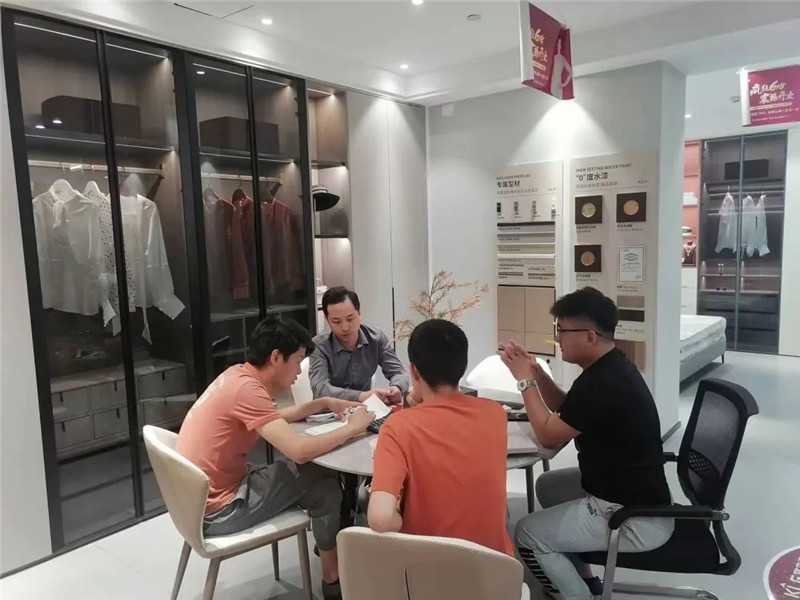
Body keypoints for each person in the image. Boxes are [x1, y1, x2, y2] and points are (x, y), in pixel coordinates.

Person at [175, 316, 374, 600]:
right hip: (220, 509)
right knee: (324, 482)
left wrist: (323, 403)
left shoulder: (236, 376)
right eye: (297, 361)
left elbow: (271, 417)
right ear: (276, 357)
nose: (298, 372)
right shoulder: (248, 391)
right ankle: (332, 577)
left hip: (194, 502)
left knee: (317, 479)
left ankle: (332, 567)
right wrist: (353, 428)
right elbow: (299, 451)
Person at [499, 287, 673, 600]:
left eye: (563, 331)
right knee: (549, 486)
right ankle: (586, 579)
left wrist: (524, 382)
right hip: (628, 491)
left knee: (526, 533)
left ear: (590, 337)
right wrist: (537, 374)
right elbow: (569, 408)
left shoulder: (604, 383)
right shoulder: (608, 367)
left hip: (631, 515)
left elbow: (549, 434)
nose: (558, 338)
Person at [367, 319, 514, 556]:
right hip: (496, 567)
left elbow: (380, 519)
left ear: (414, 371)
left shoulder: (398, 427)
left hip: (429, 567)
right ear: (463, 365)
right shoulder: (495, 414)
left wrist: (401, 517)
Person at [309, 286, 409, 406]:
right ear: (327, 320)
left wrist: (397, 388)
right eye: (336, 322)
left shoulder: (376, 338)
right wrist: (361, 396)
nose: (345, 327)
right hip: (330, 411)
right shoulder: (319, 346)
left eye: (350, 319)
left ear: (359, 313)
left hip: (364, 409)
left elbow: (399, 373)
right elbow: (320, 390)